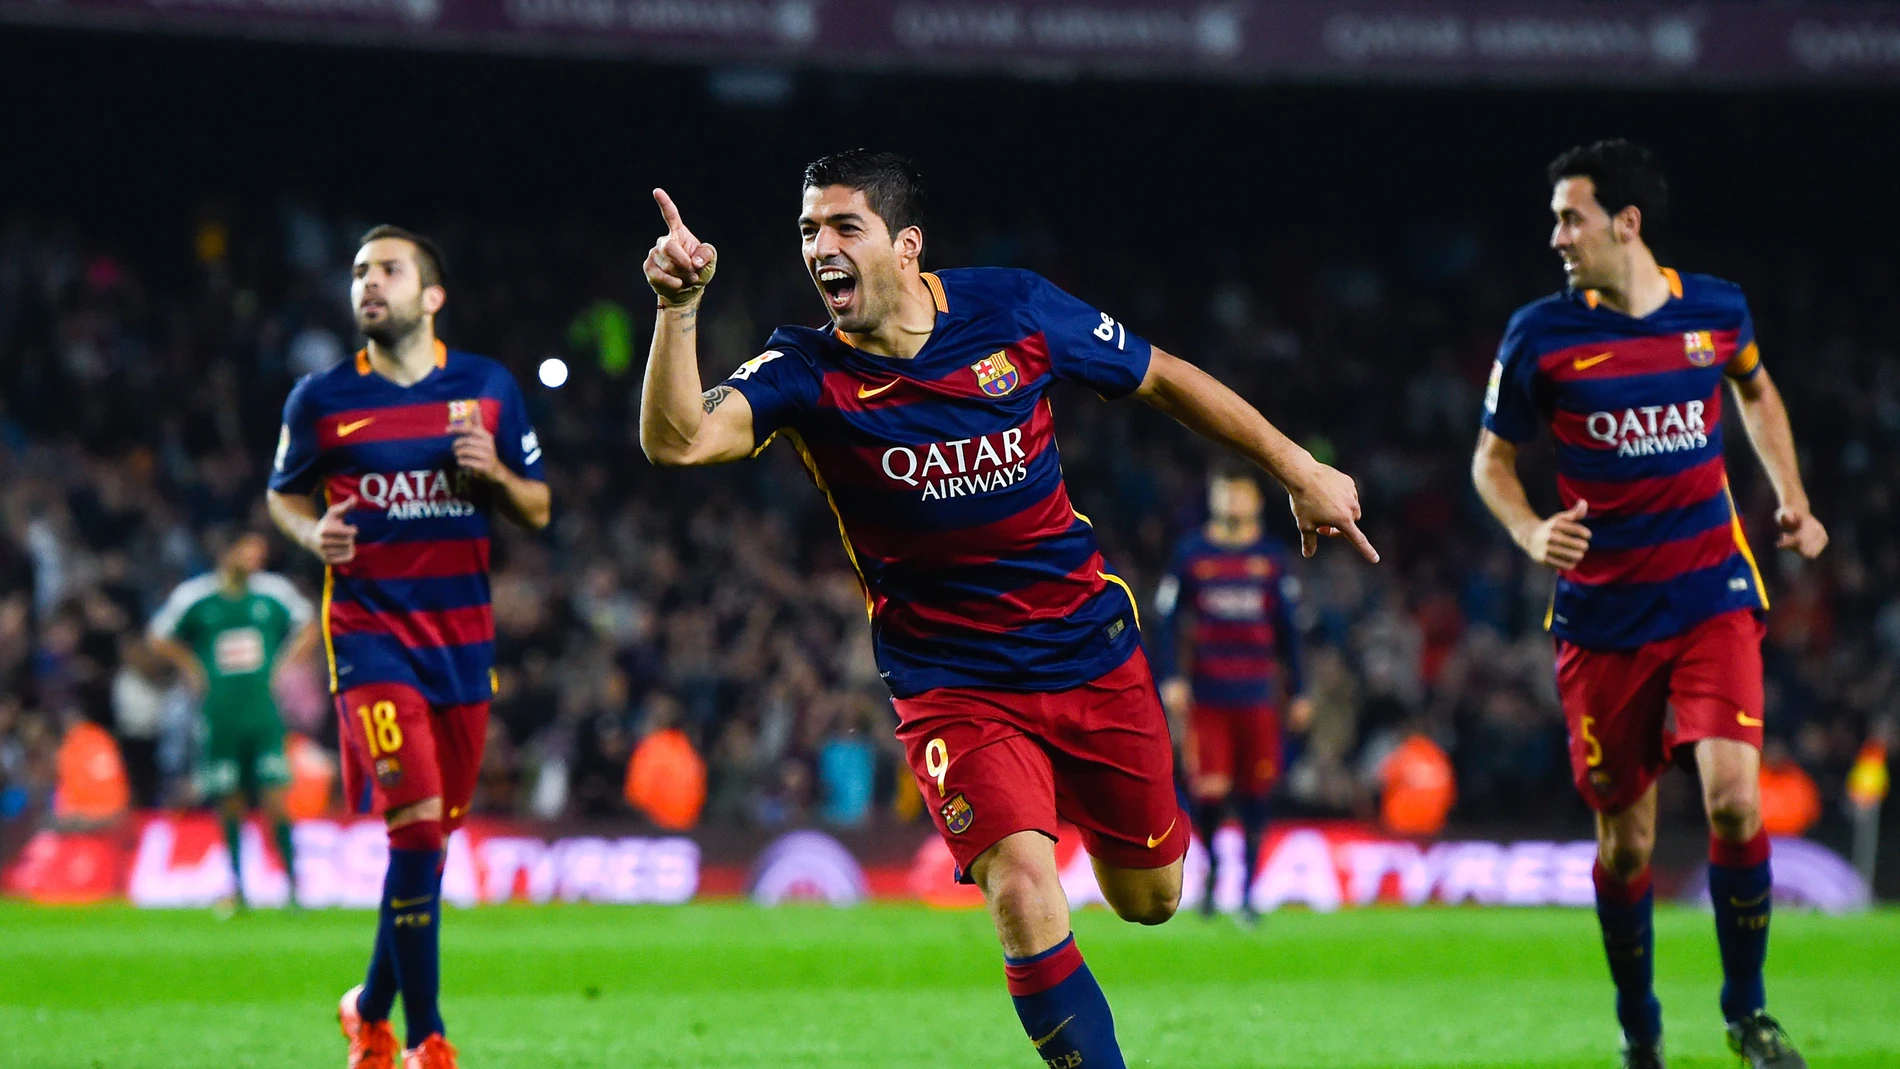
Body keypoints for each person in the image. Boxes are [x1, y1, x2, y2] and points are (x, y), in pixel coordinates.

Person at [640, 149, 1374, 1069]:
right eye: (806, 232)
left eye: (843, 227)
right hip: (952, 682)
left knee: (1152, 896)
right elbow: (679, 441)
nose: (820, 248)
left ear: (906, 247)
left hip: (1088, 652)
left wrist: (1298, 469)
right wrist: (678, 311)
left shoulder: (1012, 309)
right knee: (1023, 888)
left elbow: (1161, 376)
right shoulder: (802, 369)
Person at [1471, 140, 1826, 1069]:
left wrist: (1790, 494)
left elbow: (1756, 387)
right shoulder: (1539, 336)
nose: (1557, 236)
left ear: (1625, 223)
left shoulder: (1715, 309)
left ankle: (1748, 1013)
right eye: (1555, 218)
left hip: (1712, 590)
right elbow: (1490, 461)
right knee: (1626, 848)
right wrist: (1525, 529)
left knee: (1737, 802)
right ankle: (1640, 1026)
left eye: (1570, 217)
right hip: (1602, 616)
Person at [268, 225, 550, 1069]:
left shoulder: (487, 389)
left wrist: (495, 478)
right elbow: (283, 494)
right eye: (358, 272)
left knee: (428, 844)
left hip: (461, 647)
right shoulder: (319, 399)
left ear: (432, 296)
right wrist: (311, 529)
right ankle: (426, 1036)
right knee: (416, 831)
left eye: (388, 270)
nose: (368, 284)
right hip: (369, 642)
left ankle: (368, 1008)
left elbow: (538, 506)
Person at [1151, 462, 1309, 925]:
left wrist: (1300, 689)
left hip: (1258, 695)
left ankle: (1247, 890)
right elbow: (1166, 620)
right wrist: (1171, 678)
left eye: (1239, 493)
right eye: (1224, 492)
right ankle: (1214, 872)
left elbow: (1290, 630)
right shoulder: (1191, 554)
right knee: (1209, 792)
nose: (1231, 501)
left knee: (1258, 790)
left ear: (1256, 501)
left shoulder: (1272, 558)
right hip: (1208, 694)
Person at [148, 530, 316, 909]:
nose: (256, 557)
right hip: (220, 715)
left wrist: (284, 666)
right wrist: (192, 666)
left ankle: (293, 888)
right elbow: (158, 636)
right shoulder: (196, 596)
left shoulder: (274, 593)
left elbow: (310, 624)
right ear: (228, 551)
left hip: (263, 714)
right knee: (230, 800)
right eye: (249, 549)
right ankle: (238, 888)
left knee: (276, 798)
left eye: (260, 551)